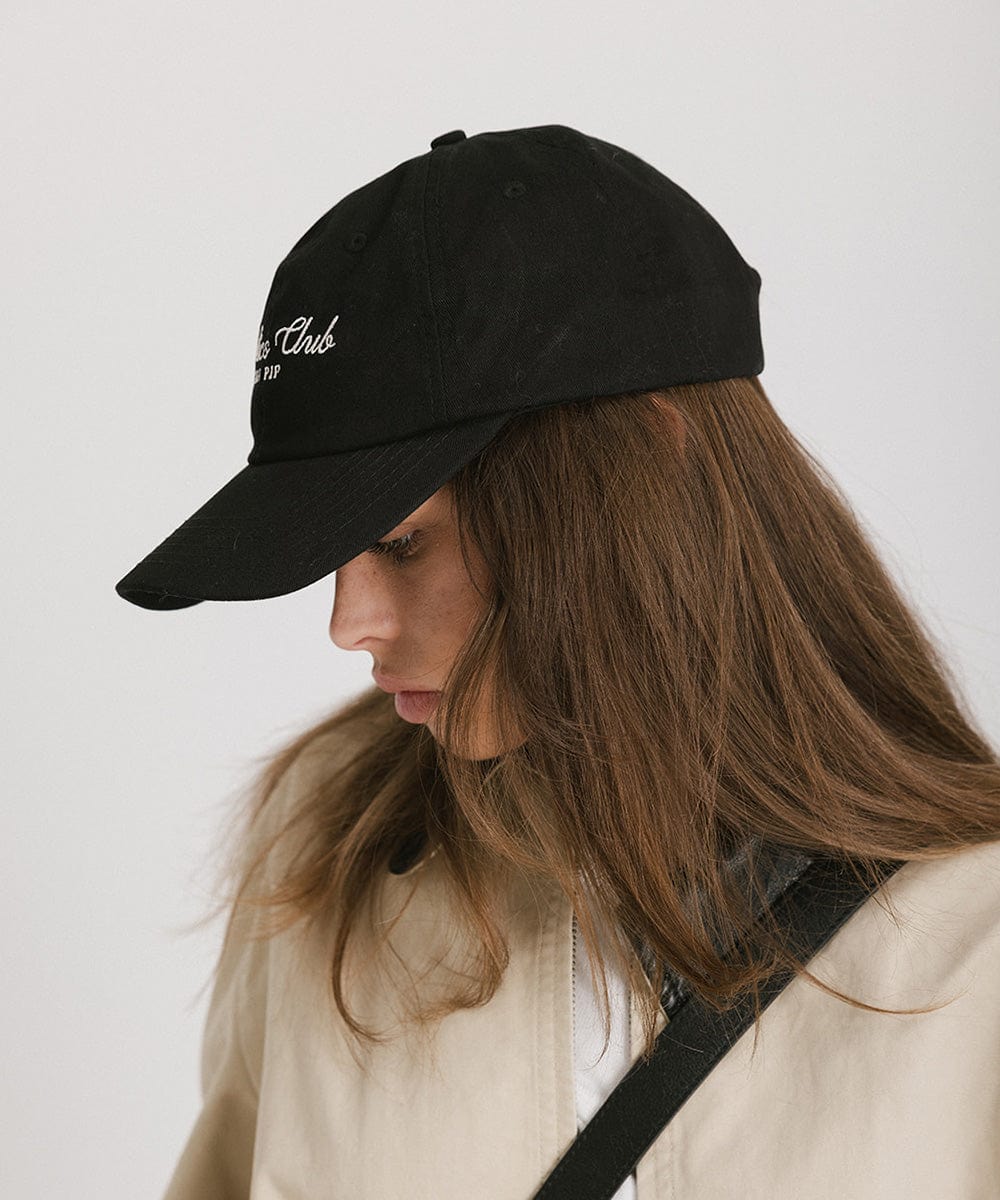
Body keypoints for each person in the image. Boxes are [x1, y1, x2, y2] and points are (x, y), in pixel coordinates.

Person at [115, 125, 1000, 1199]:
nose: (347, 624)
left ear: (644, 482)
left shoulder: (975, 943)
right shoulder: (326, 844)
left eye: (401, 542)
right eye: (330, 554)